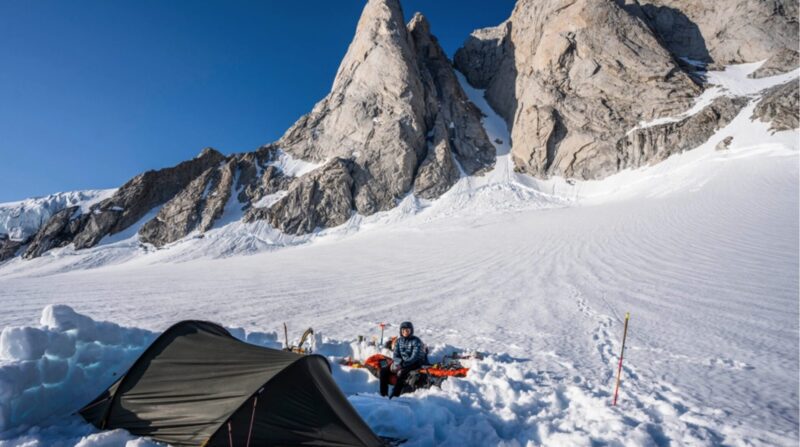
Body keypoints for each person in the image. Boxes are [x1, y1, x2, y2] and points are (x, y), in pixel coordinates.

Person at [380, 321, 426, 398]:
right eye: (403, 330)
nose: (405, 332)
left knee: (402, 374)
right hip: (402, 362)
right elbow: (396, 354)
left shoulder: (416, 341)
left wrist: (403, 364)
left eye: (407, 330)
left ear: (411, 331)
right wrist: (398, 362)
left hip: (415, 363)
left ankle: (395, 395)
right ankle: (383, 395)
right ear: (401, 331)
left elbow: (415, 356)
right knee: (384, 370)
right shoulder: (399, 341)